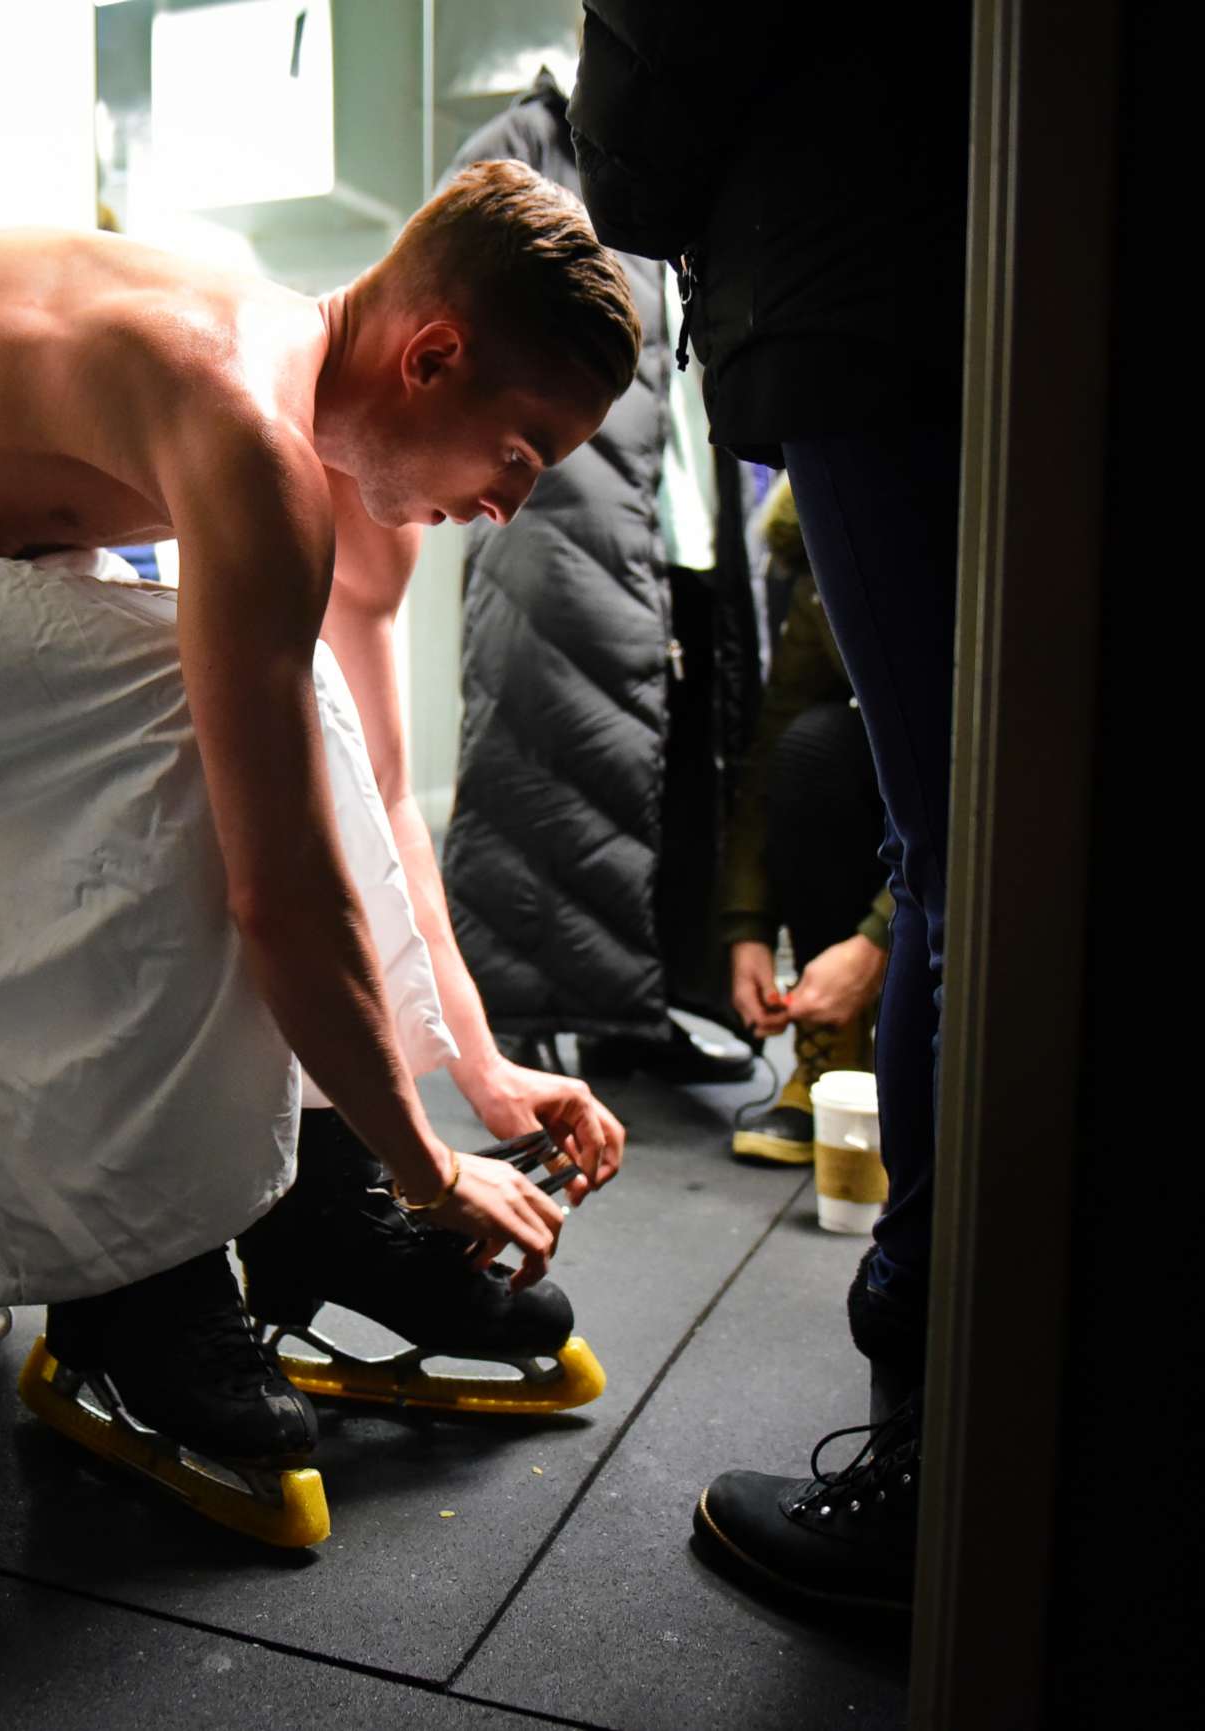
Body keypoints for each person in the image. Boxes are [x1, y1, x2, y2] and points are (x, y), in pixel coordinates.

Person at [0, 161, 630, 1543]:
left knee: (280, 697)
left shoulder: (267, 363)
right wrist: (434, 1167)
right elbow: (279, 891)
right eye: (521, 451)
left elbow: (337, 803)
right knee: (173, 728)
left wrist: (469, 1084)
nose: (508, 503)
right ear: (434, 357)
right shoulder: (246, 423)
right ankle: (131, 1286)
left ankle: (311, 1201)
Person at [573, 0, 971, 1609]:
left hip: (854, 280)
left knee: (953, 854)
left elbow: (654, 104)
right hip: (906, 261)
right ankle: (948, 1413)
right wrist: (745, 923)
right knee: (927, 817)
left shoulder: (846, 391)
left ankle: (930, 1445)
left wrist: (875, 943)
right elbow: (801, 719)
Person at [432, 69, 754, 1087]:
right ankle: (523, 1014)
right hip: (564, 520)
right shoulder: (525, 147)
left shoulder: (686, 163)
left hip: (672, 517)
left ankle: (631, 1009)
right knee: (548, 757)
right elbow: (453, 311)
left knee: (659, 766)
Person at [720, 475, 890, 1165]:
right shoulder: (825, 554)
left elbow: (972, 776)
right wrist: (748, 929)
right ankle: (832, 1055)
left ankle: (920, 1047)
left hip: (979, 803)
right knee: (811, 748)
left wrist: (880, 940)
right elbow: (772, 752)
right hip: (887, 781)